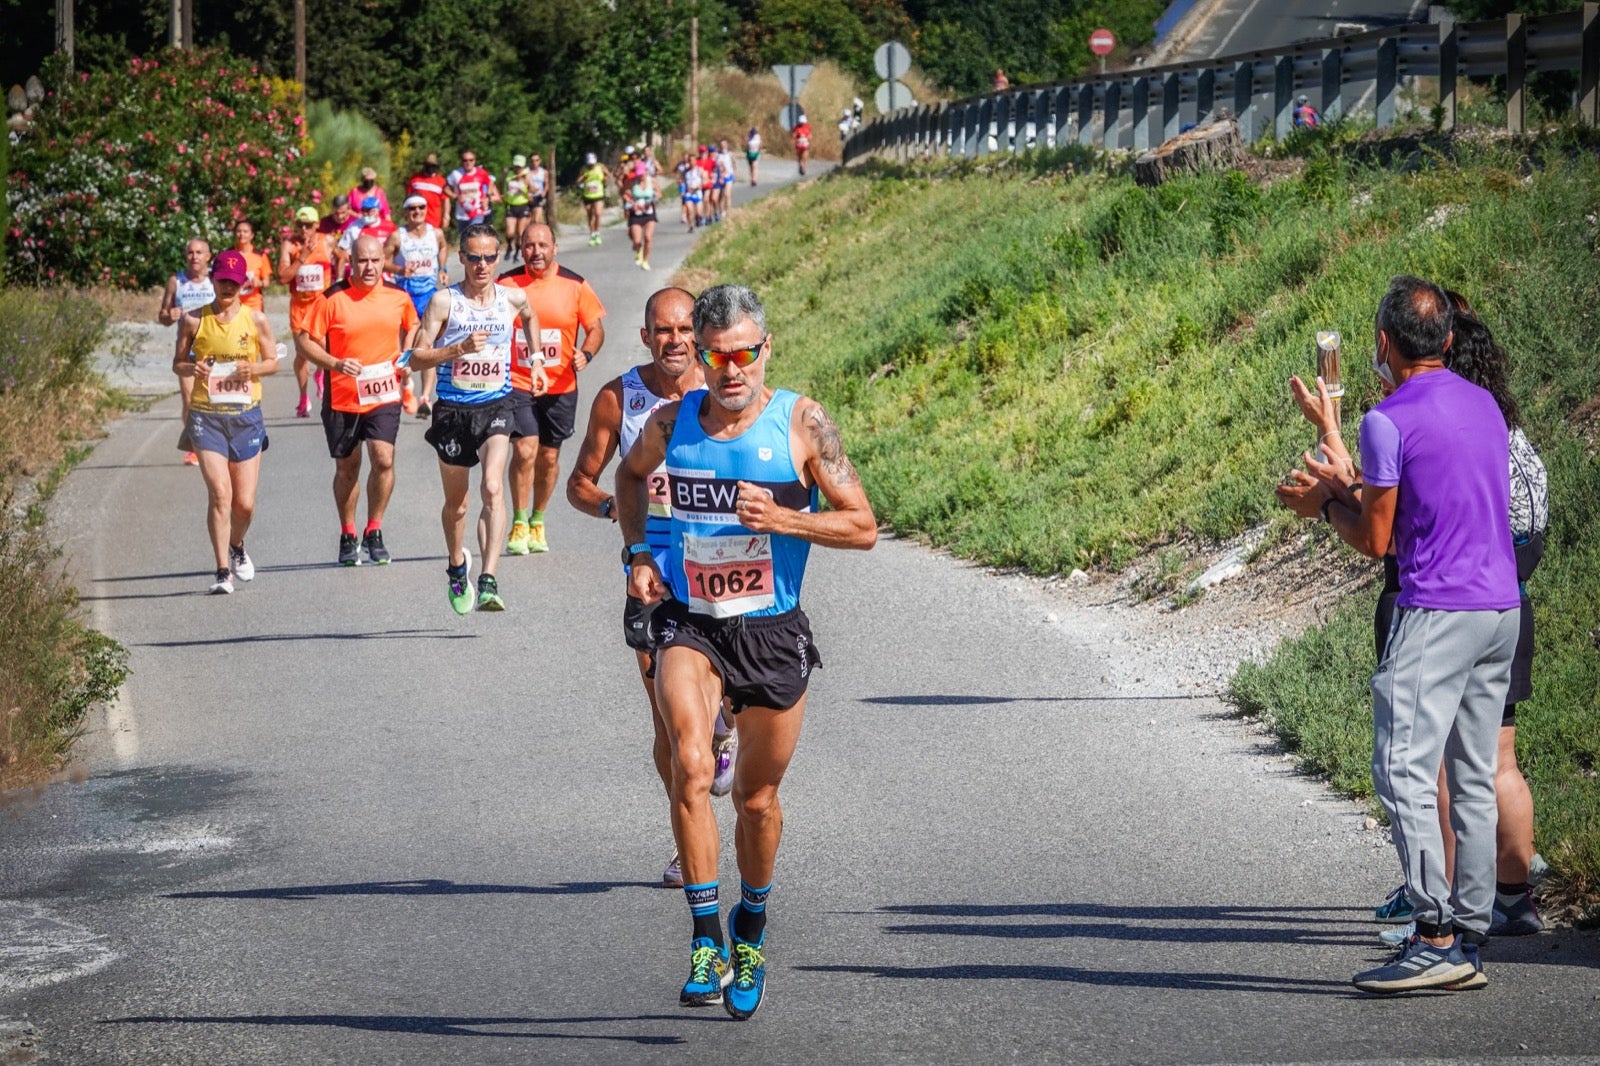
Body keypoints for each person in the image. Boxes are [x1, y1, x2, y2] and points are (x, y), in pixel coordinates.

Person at [616, 284, 877, 1019]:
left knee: (757, 801)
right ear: (699, 355)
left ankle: (751, 925)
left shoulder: (801, 422)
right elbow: (629, 478)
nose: (731, 371)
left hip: (770, 628)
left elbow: (863, 526)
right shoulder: (672, 423)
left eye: (744, 355)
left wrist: (789, 521)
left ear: (765, 350)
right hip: (690, 620)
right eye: (716, 356)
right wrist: (639, 550)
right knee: (692, 767)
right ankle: (705, 936)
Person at [1276, 275, 1520, 994]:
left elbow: (1376, 540)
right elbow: (1437, 505)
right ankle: (1469, 936)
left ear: (1383, 343)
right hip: (1499, 609)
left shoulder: (1386, 420)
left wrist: (1323, 505)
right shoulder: (1484, 406)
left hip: (1437, 613)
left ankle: (1434, 933)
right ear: (1447, 340)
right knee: (1471, 776)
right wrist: (1343, 490)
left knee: (1404, 773)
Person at [567, 287, 736, 888]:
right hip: (652, 569)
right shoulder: (619, 398)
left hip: (723, 559)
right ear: (645, 337)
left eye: (685, 329)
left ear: (699, 333)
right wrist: (624, 510)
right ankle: (683, 841)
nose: (674, 341)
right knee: (668, 721)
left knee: (731, 697)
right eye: (662, 331)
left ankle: (724, 729)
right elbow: (580, 484)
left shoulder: (724, 386)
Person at [409, 223, 543, 613]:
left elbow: (531, 318)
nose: (482, 265)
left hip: (497, 406)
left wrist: (535, 360)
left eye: (488, 257)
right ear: (462, 258)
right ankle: (456, 565)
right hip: (453, 410)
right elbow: (417, 356)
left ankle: (489, 578)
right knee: (459, 506)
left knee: (492, 487)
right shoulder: (443, 303)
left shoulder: (512, 299)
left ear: (497, 258)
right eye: (474, 257)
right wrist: (457, 349)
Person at [296, 235, 420, 566]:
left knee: (383, 460)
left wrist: (406, 356)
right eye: (362, 261)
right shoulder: (331, 298)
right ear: (350, 261)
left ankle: (374, 529)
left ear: (384, 261)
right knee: (347, 469)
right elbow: (305, 342)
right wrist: (335, 363)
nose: (369, 267)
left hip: (383, 394)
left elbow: (414, 324)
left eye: (375, 260)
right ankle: (348, 533)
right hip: (343, 397)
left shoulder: (397, 296)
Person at [171, 249, 280, 594]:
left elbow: (273, 361)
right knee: (221, 494)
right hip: (207, 418)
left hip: (246, 417)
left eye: (235, 282)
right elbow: (178, 363)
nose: (228, 287)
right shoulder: (193, 320)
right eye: (222, 281)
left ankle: (236, 545)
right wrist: (194, 368)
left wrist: (255, 368)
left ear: (244, 282)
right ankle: (221, 571)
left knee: (244, 503)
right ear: (213, 280)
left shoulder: (256, 319)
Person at [496, 223, 605, 556]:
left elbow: (595, 328)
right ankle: (518, 519)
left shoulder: (575, 285)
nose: (536, 252)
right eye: (529, 245)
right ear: (522, 248)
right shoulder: (506, 284)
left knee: (548, 456)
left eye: (543, 245)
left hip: (560, 383)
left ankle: (538, 519)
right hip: (517, 381)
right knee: (525, 449)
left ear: (555, 248)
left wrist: (585, 353)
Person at [385, 195, 449, 416]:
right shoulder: (397, 236)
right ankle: (406, 383)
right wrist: (398, 270)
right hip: (405, 297)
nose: (417, 211)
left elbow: (443, 246)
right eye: (412, 208)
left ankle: (426, 397)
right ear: (405, 212)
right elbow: (382, 260)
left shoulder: (435, 233)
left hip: (429, 296)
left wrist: (443, 269)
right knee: (404, 347)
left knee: (427, 347)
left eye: (421, 207)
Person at [160, 237, 216, 466]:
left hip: (213, 349)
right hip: (186, 349)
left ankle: (215, 442)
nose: (194, 257)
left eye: (199, 252)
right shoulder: (177, 281)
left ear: (208, 256)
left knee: (214, 398)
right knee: (189, 398)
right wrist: (169, 315)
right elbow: (162, 315)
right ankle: (194, 446)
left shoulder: (215, 279)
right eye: (190, 252)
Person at [279, 206, 337, 418]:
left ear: (317, 225)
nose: (304, 229)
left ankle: (321, 373)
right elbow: (283, 277)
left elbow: (343, 256)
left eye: (309, 225)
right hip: (300, 306)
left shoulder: (327, 241)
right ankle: (304, 398)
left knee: (326, 349)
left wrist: (339, 277)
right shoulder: (289, 245)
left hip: (322, 305)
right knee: (302, 353)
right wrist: (302, 257)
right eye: (300, 225)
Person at [446, 150, 498, 245]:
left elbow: (490, 182)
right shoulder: (456, 174)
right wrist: (455, 196)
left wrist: (487, 197)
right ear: (461, 161)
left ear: (474, 161)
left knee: (473, 235)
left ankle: (477, 256)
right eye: (465, 160)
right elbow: (445, 188)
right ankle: (469, 258)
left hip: (478, 210)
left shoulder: (481, 172)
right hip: (462, 213)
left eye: (471, 160)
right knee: (465, 240)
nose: (468, 163)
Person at [230, 219, 273, 314]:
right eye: (238, 231)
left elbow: (266, 282)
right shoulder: (228, 255)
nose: (241, 234)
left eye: (245, 232)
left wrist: (259, 283)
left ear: (252, 235)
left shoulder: (260, 256)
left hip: (254, 305)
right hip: (233, 304)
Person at [624, 161, 660, 271]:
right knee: (637, 241)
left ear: (645, 172)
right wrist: (632, 203)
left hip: (649, 213)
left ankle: (645, 261)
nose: (640, 176)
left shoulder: (652, 181)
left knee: (648, 238)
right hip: (636, 215)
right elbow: (625, 194)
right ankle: (638, 250)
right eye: (638, 174)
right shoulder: (631, 182)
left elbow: (659, 193)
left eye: (642, 174)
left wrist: (654, 197)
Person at [405, 153, 449, 233]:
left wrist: (446, 216)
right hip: (416, 217)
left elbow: (446, 199)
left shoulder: (441, 181)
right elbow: (408, 198)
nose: (431, 168)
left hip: (434, 219)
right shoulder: (415, 179)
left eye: (433, 166)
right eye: (429, 166)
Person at [502, 154, 534, 259]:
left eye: (520, 167)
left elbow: (533, 189)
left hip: (523, 205)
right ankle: (509, 247)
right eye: (516, 166)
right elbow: (502, 185)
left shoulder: (527, 175)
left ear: (523, 166)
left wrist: (526, 185)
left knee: (520, 232)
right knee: (510, 232)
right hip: (511, 205)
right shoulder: (509, 174)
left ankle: (518, 250)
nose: (518, 169)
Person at [579, 152, 608, 246]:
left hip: (598, 194)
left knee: (598, 213)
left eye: (592, 163)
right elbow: (578, 181)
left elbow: (607, 175)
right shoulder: (584, 169)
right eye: (589, 163)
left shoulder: (600, 167)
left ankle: (597, 232)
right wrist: (583, 178)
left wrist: (604, 179)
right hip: (587, 194)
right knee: (590, 215)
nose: (591, 165)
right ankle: (592, 234)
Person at [713, 140, 736, 221]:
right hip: (720, 177)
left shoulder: (730, 154)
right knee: (721, 196)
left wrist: (735, 173)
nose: (723, 146)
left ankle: (728, 212)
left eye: (724, 144)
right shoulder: (718, 155)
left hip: (729, 176)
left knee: (727, 195)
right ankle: (721, 211)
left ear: (727, 145)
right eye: (721, 144)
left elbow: (734, 163)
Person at [527, 152, 549, 226]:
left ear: (540, 161)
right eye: (532, 161)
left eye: (537, 160)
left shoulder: (544, 172)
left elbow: (546, 184)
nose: (534, 163)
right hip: (527, 197)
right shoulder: (526, 171)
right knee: (527, 222)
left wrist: (544, 192)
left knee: (536, 220)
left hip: (539, 197)